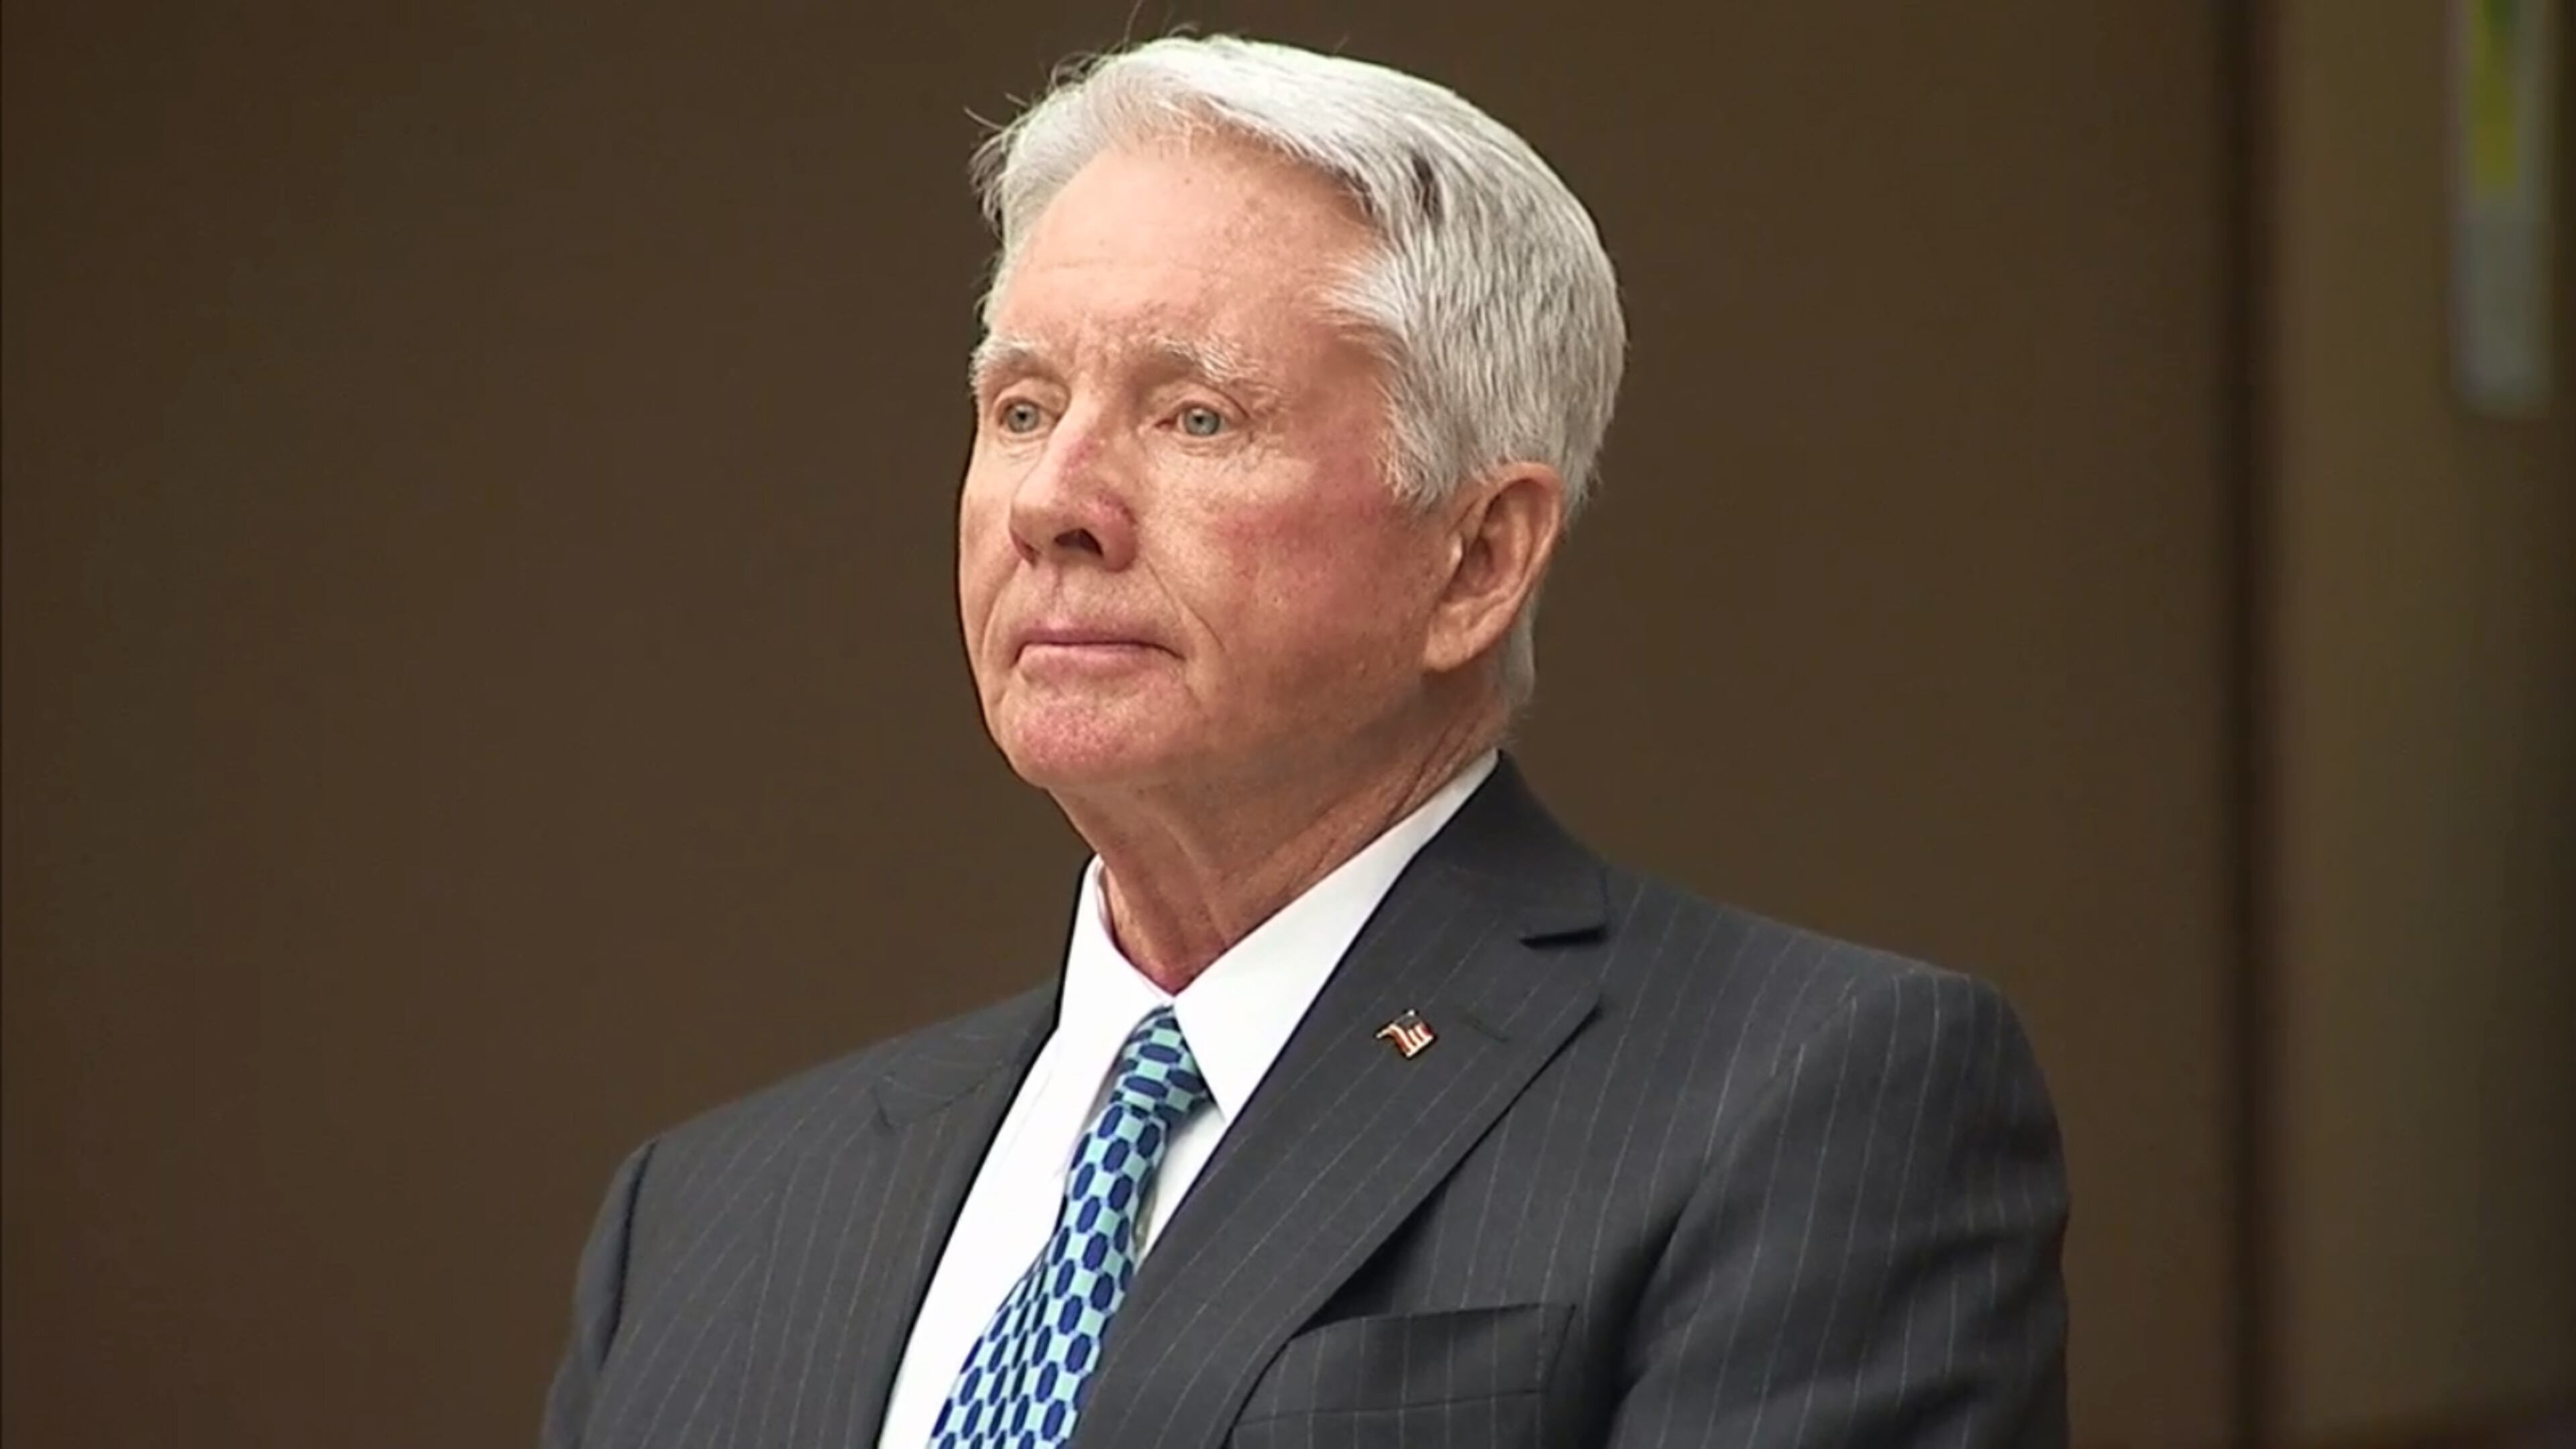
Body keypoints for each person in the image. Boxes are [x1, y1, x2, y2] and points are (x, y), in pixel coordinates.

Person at [543, 34, 2068, 1449]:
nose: (1052, 501)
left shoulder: (1808, 1102)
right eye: (1019, 407)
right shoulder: (708, 1214)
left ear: (1475, 559)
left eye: (1194, 417)